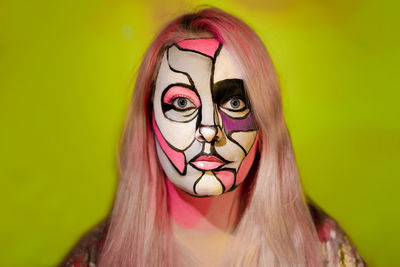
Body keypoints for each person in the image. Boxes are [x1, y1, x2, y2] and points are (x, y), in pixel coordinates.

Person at [60, 7, 366, 267]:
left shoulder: (321, 248)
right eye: (181, 103)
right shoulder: (98, 257)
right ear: (150, 119)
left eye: (234, 103)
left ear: (264, 125)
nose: (209, 129)